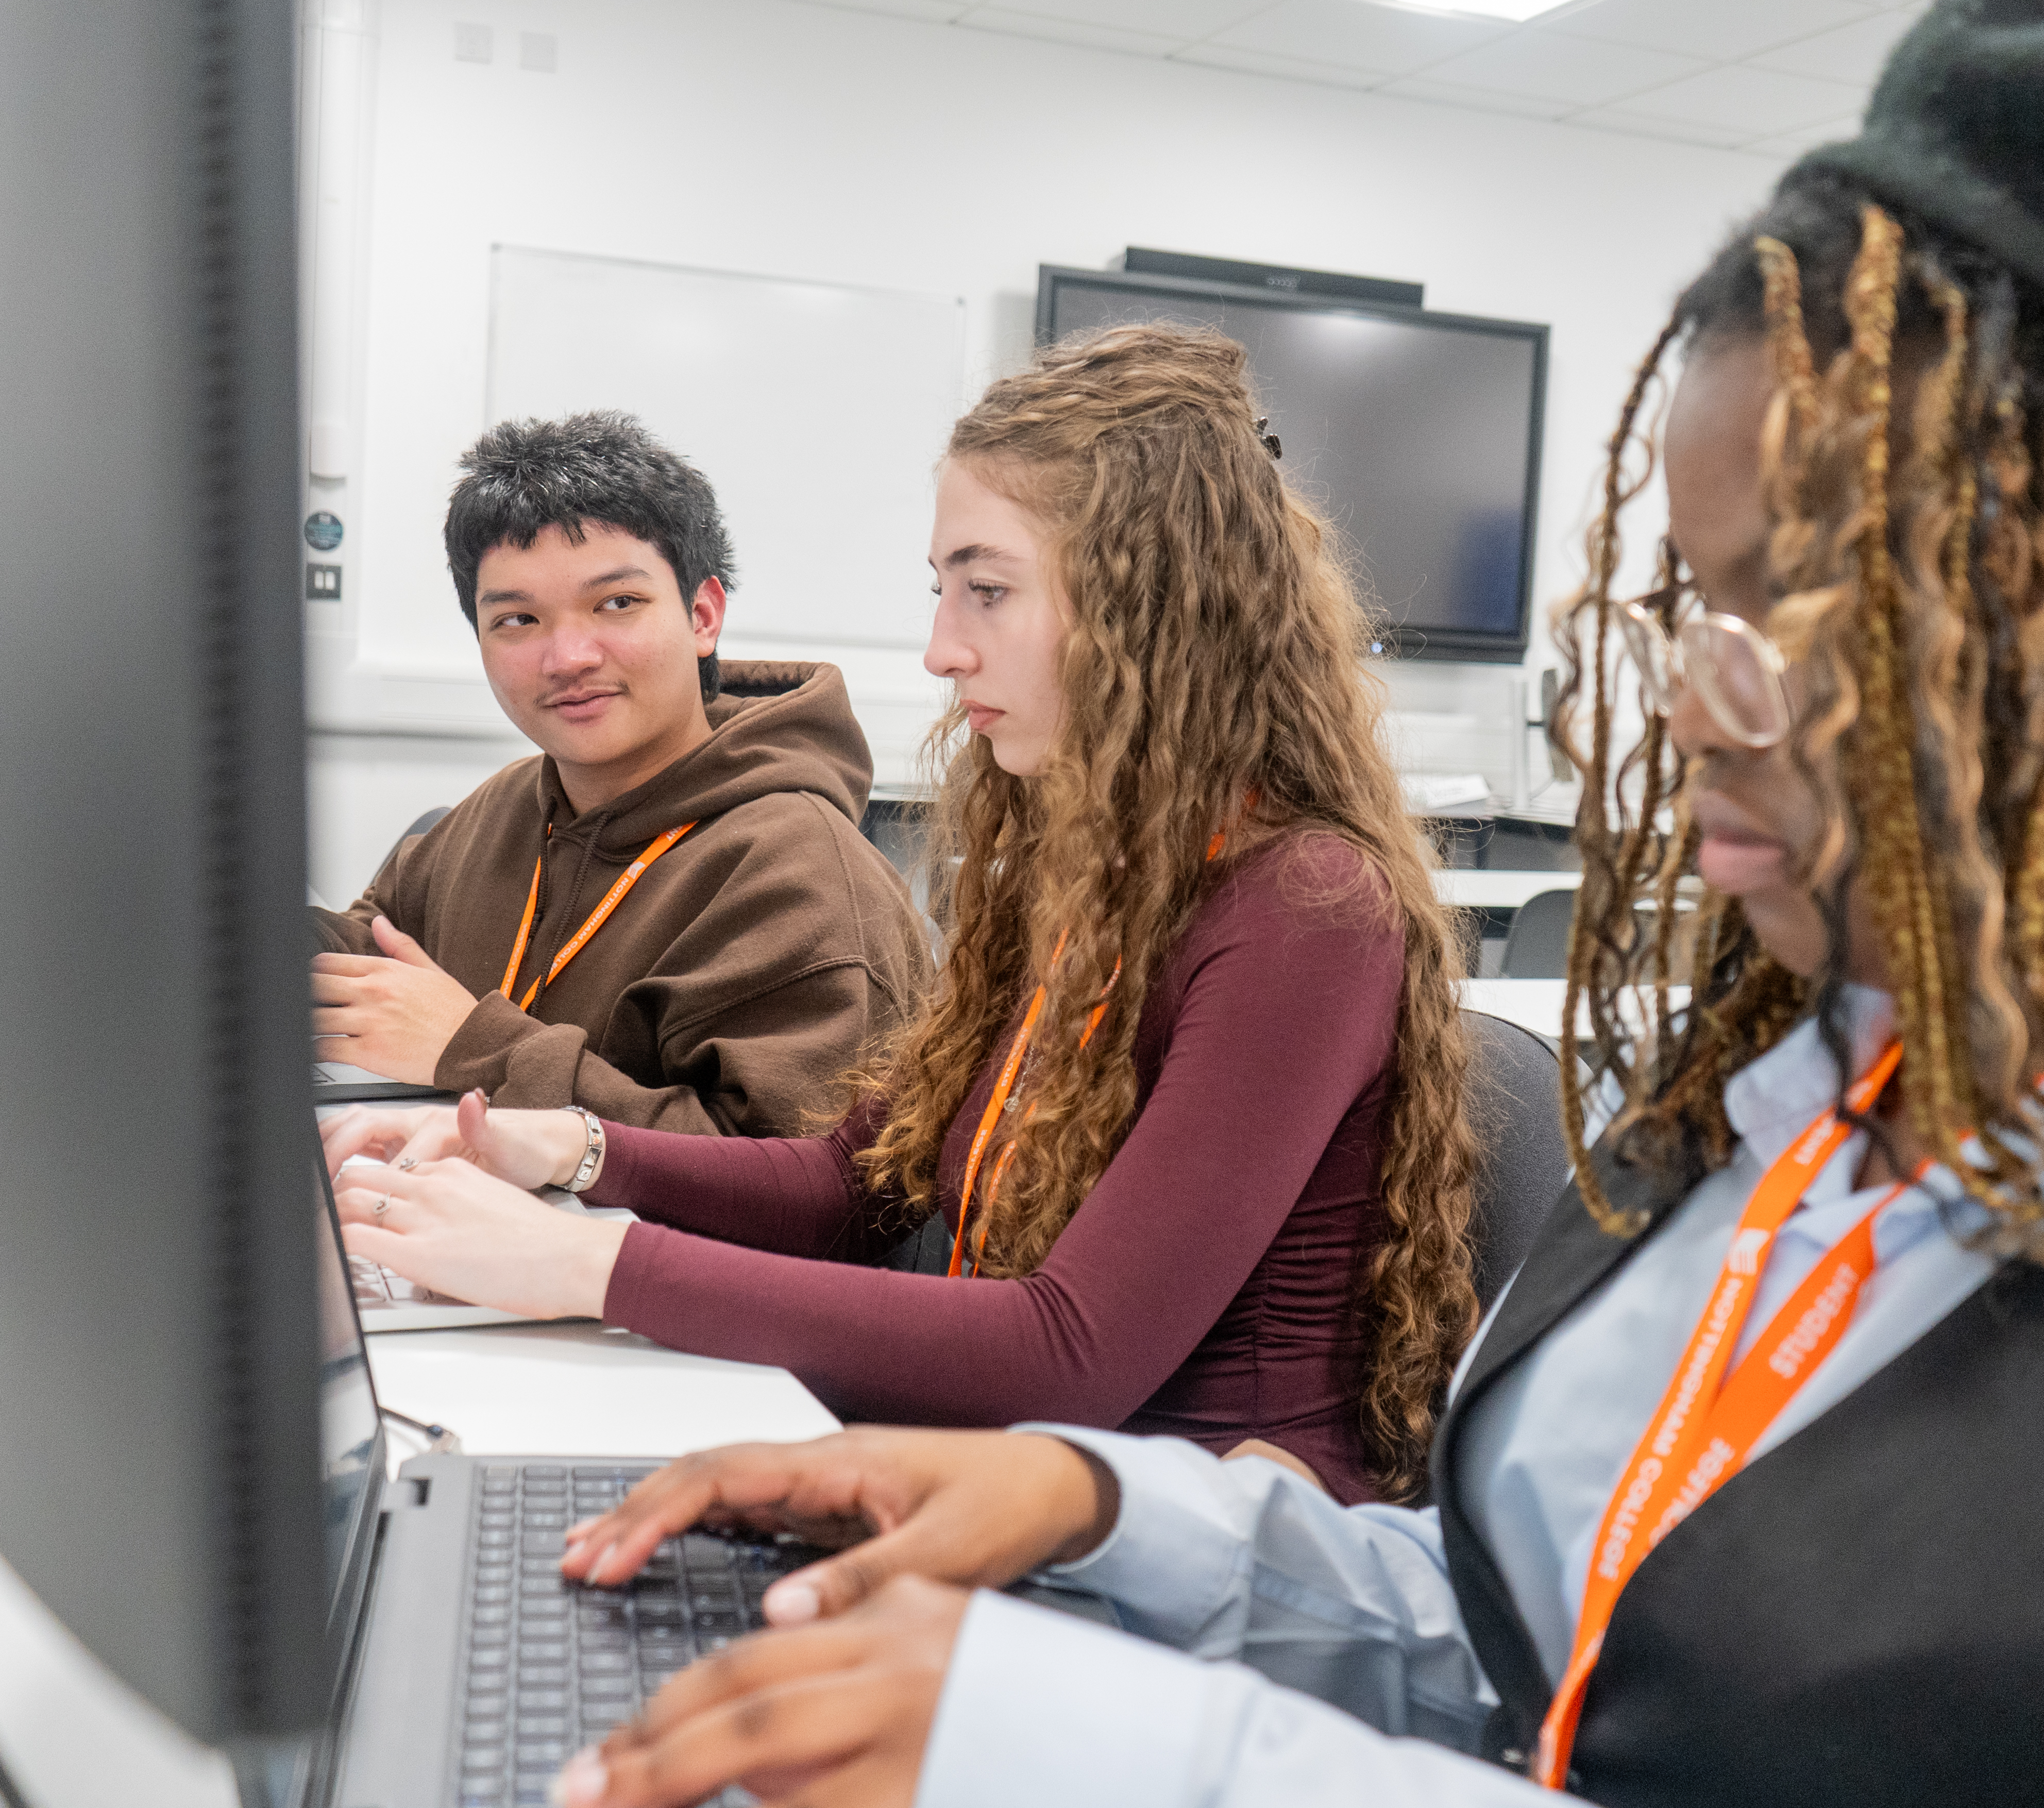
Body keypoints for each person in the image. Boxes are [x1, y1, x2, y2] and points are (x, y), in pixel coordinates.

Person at [503, 1, 2044, 1805]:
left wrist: (1125, 1744)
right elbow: (1547, 1660)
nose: (1688, 700)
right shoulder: (1790, 1102)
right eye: (1694, 604)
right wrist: (1105, 1513)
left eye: (1805, 603)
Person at [327, 328, 1480, 1505]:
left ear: (1148, 605)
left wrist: (587, 1260)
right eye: (943, 591)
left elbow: (1069, 1353)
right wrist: (571, 1148)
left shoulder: (1305, 906)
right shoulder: (1088, 871)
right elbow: (854, 1182)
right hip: (1016, 1488)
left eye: (986, 590)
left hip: (1208, 1539)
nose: (940, 648)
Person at [310, 411, 930, 1136]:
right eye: (517, 620)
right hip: (462, 1217)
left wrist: (475, 1051)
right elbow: (367, 958)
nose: (568, 656)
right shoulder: (512, 803)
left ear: (702, 615)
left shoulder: (801, 873)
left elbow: (791, 1190)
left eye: (617, 604)